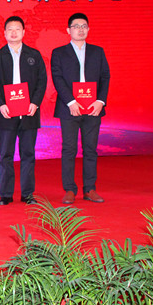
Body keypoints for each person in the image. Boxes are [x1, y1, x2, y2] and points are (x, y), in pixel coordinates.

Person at [51, 13, 110, 205]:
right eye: (76, 26)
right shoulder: (59, 52)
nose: (80, 29)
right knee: (69, 149)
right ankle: (69, 189)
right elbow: (57, 78)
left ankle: (90, 189)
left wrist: (100, 101)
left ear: (88, 29)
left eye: (84, 26)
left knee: (90, 149)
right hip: (69, 108)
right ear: (68, 30)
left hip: (93, 107)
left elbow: (105, 77)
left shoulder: (97, 51)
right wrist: (71, 102)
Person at [0, 16, 47, 206]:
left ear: (23, 32)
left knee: (28, 154)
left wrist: (35, 103)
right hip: (6, 113)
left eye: (17, 29)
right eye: (10, 29)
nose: (14, 33)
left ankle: (28, 193)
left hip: (29, 113)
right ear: (4, 33)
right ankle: (5, 194)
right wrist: (0, 105)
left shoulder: (34, 55)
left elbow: (42, 82)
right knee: (6, 154)